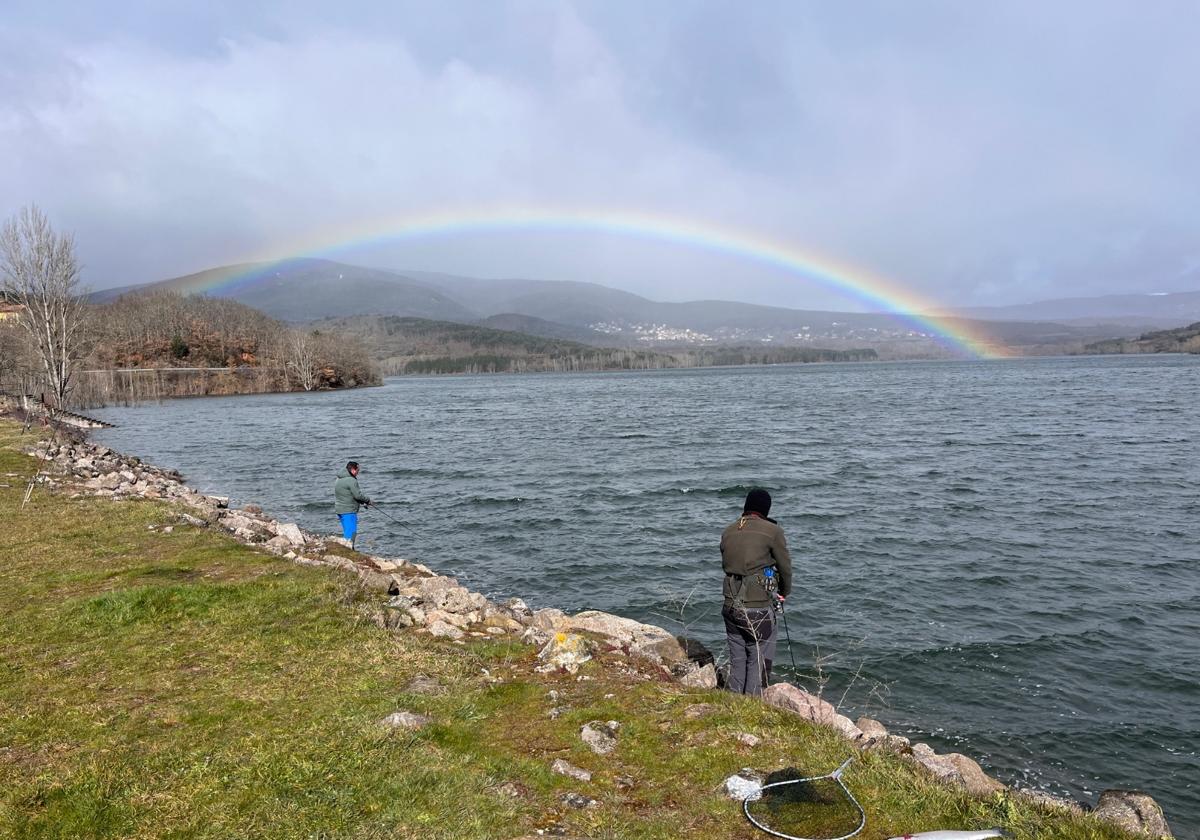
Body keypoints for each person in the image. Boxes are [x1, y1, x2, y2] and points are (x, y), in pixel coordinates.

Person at [720, 488, 792, 695]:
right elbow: (785, 568)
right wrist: (784, 592)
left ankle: (734, 702)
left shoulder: (729, 530)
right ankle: (753, 706)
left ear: (746, 507)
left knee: (738, 658)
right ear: (765, 510)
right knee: (759, 656)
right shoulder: (773, 531)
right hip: (756, 607)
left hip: (730, 605)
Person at [333, 460, 371, 548]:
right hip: (349, 511)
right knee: (351, 533)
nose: (358, 473)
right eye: (358, 470)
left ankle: (347, 549)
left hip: (340, 510)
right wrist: (368, 500)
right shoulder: (351, 480)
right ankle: (348, 550)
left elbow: (348, 495)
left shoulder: (339, 479)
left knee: (347, 531)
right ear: (353, 470)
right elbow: (358, 495)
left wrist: (362, 502)